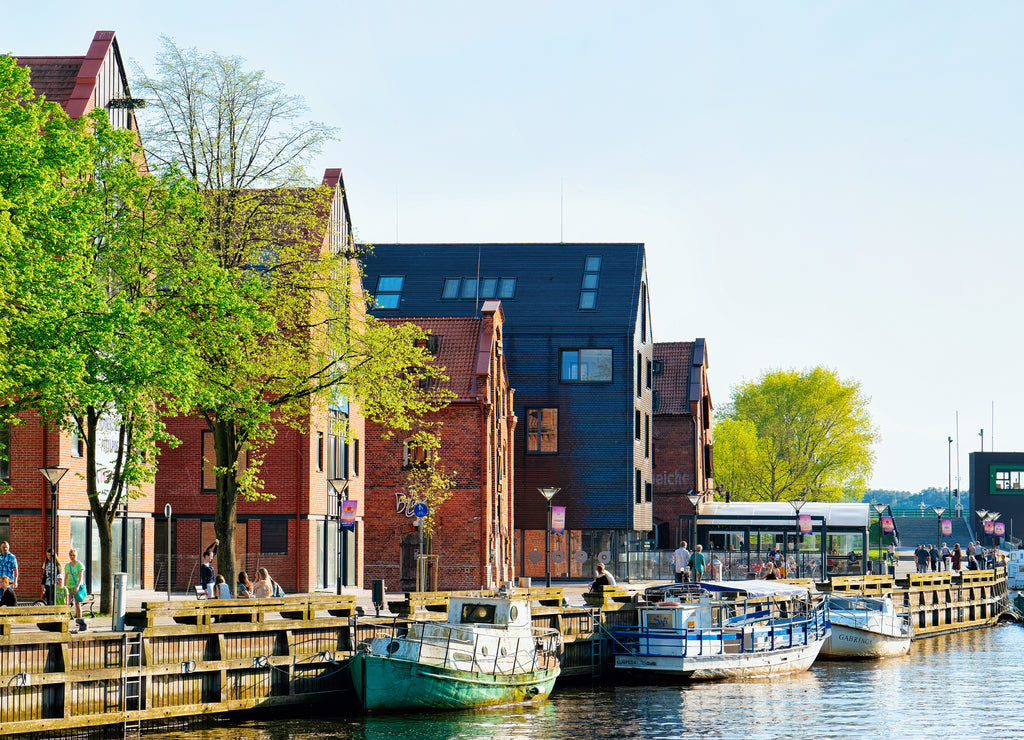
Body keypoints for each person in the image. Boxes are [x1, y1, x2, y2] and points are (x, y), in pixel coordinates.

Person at [64, 548, 87, 630]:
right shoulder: (67, 565)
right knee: (67, 602)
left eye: (73, 555)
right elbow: (66, 576)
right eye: (71, 555)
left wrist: (77, 586)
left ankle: (79, 620)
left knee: (77, 603)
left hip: (76, 585)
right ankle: (65, 619)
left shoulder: (79, 565)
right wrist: (64, 585)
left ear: (76, 555)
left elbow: (80, 577)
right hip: (69, 585)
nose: (72, 557)